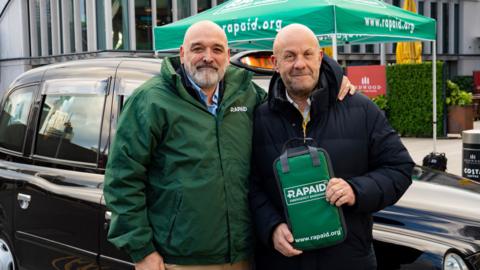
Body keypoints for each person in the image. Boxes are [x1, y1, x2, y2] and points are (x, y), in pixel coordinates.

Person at [104, 20, 354, 270]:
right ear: (182, 54)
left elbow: (289, 99)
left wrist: (333, 77)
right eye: (198, 49)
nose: (207, 57)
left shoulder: (247, 94)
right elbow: (122, 179)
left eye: (216, 49)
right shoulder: (151, 101)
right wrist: (142, 251)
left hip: (244, 255)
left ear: (228, 54)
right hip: (179, 259)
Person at [249, 24, 414, 270]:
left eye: (307, 54)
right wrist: (270, 227)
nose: (299, 64)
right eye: (289, 56)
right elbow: (250, 185)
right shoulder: (259, 117)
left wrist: (356, 190)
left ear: (320, 57)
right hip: (282, 261)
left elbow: (400, 168)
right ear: (275, 62)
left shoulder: (361, 108)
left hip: (348, 259)